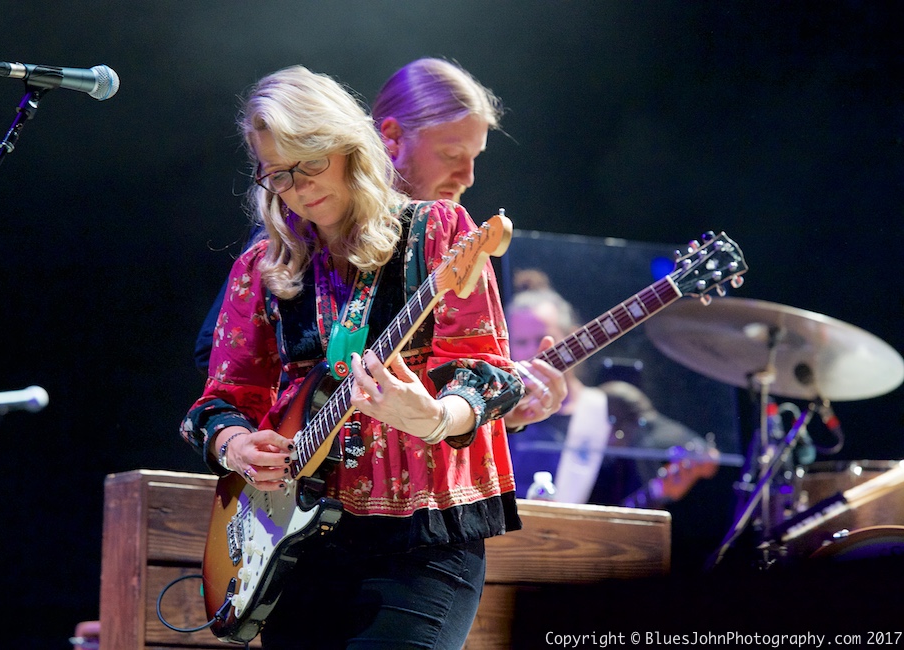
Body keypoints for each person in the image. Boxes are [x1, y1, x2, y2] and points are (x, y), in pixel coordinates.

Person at [180, 65, 525, 649]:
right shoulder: (261, 268)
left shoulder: (439, 231)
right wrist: (236, 445)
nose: (300, 187)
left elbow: (490, 373)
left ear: (348, 146)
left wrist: (438, 416)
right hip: (298, 545)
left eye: (311, 163)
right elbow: (219, 401)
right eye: (279, 175)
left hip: (421, 543)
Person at [193, 57, 566, 429]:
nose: (468, 176)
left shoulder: (443, 231)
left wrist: (489, 407)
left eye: (474, 157)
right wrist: (262, 441)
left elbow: (470, 376)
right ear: (390, 137)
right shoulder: (291, 233)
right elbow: (222, 357)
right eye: (451, 155)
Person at [506, 270, 716, 507]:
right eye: (521, 342)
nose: (534, 352)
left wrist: (684, 469)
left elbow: (703, 456)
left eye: (543, 338)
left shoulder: (611, 408)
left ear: (572, 336)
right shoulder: (499, 414)